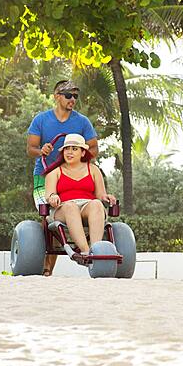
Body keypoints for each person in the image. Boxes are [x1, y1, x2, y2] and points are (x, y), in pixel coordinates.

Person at [27, 80, 98, 275]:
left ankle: (94, 252)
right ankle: (47, 267)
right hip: (44, 177)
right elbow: (30, 149)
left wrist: (78, 160)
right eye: (68, 95)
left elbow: (93, 148)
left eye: (76, 95)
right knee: (48, 216)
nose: (73, 99)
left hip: (72, 177)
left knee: (83, 210)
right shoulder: (41, 120)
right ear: (57, 95)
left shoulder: (82, 122)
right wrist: (41, 149)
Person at [45, 133, 116, 264]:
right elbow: (49, 195)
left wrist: (106, 197)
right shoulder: (55, 172)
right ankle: (86, 252)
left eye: (74, 149)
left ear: (83, 153)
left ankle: (97, 251)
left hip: (86, 206)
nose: (69, 152)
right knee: (71, 207)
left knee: (96, 204)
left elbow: (100, 195)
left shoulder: (93, 170)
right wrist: (53, 197)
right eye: (67, 149)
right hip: (63, 208)